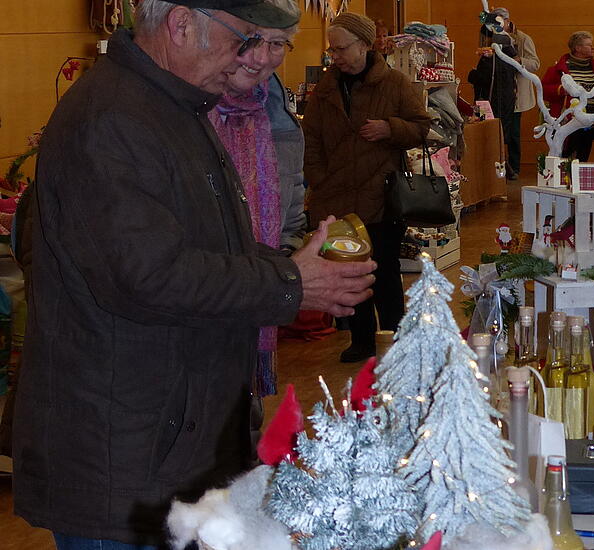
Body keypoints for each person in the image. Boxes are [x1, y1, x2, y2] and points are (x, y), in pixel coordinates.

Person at [13, 0, 377, 548]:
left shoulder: (168, 107)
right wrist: (292, 283)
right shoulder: (114, 118)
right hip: (127, 456)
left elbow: (205, 244)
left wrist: (295, 267)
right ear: (182, 25)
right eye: (242, 37)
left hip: (163, 438)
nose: (251, 55)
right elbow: (146, 276)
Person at [304, 13, 430, 363]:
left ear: (364, 45)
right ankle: (360, 340)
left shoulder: (394, 84)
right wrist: (317, 177)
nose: (337, 56)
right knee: (347, 269)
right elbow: (310, 138)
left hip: (382, 195)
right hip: (336, 196)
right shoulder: (325, 90)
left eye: (342, 48)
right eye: (333, 50)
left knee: (384, 270)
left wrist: (391, 129)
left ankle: (396, 339)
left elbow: (422, 127)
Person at [207, 0, 305, 398]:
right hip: (202, 292)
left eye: (278, 43)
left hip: (259, 276)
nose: (263, 57)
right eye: (252, 39)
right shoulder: (192, 98)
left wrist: (290, 242)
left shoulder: (271, 99)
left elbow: (290, 174)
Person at [541, 31, 594, 162]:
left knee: (582, 156)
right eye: (589, 45)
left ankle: (577, 180)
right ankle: (564, 180)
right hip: (568, 120)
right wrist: (562, 89)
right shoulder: (559, 69)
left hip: (589, 121)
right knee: (566, 155)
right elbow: (544, 89)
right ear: (577, 48)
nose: (593, 48)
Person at [492, 7, 539, 180]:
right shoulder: (492, 37)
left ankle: (514, 168)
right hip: (498, 92)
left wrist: (519, 60)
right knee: (497, 131)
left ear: (506, 21)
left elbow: (535, 63)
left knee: (513, 133)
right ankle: (498, 166)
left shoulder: (523, 39)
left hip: (516, 93)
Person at [467, 20, 519, 175]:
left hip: (487, 102)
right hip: (507, 100)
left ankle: (495, 169)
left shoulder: (490, 57)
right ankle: (503, 166)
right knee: (502, 134)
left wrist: (472, 74)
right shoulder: (510, 56)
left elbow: (483, 78)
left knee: (488, 133)